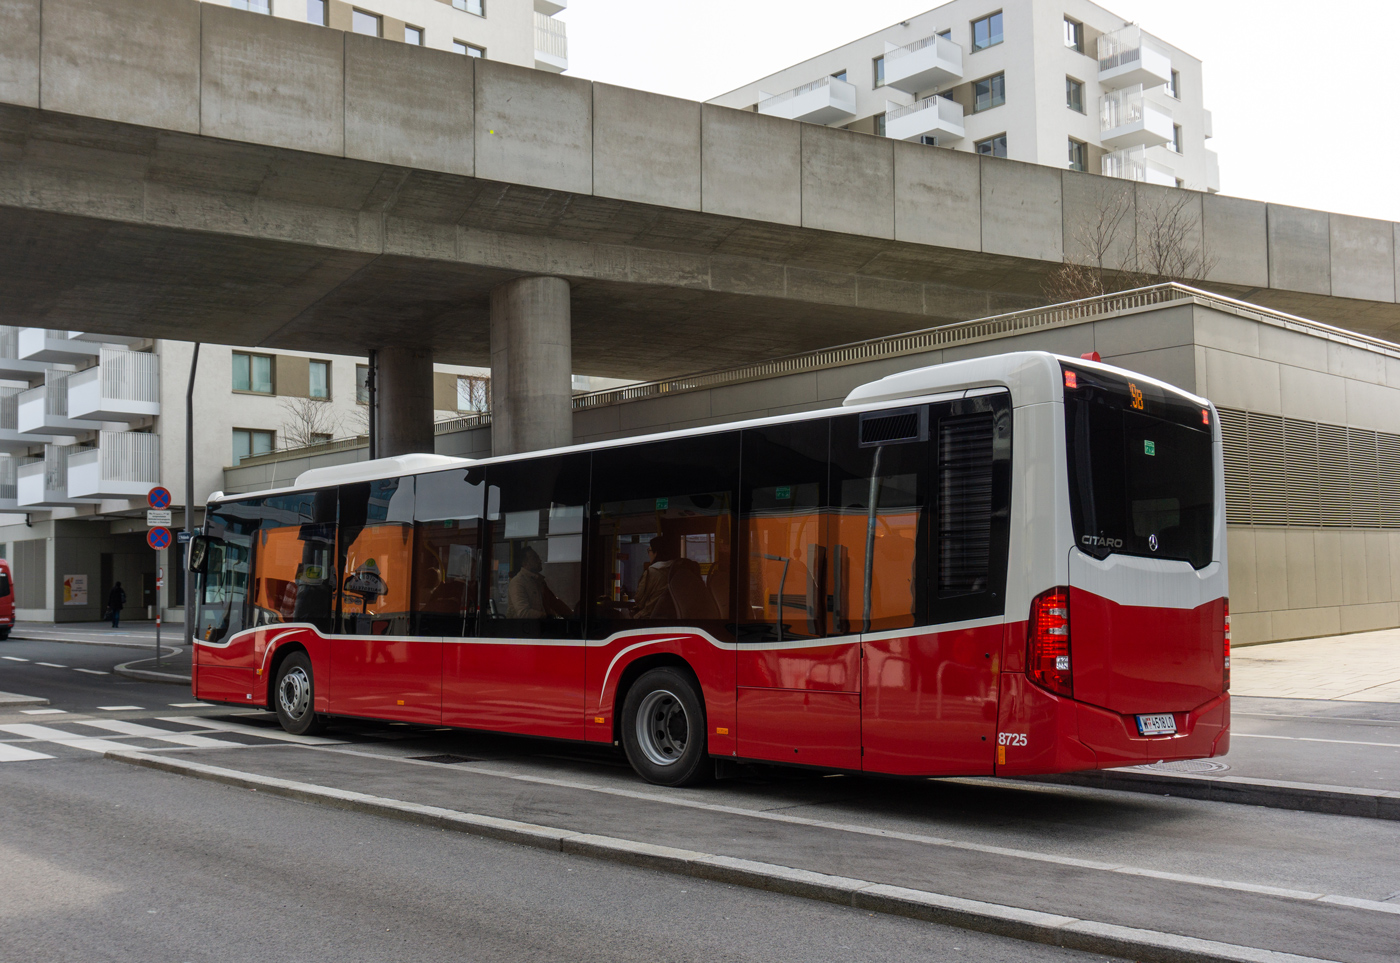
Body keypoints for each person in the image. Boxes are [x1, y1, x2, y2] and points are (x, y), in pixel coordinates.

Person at [505, 546, 570, 619]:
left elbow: (554, 602)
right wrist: (547, 616)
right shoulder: (518, 582)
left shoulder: (539, 581)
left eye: (538, 558)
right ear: (525, 563)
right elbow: (523, 613)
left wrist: (572, 616)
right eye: (535, 558)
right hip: (524, 628)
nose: (539, 561)